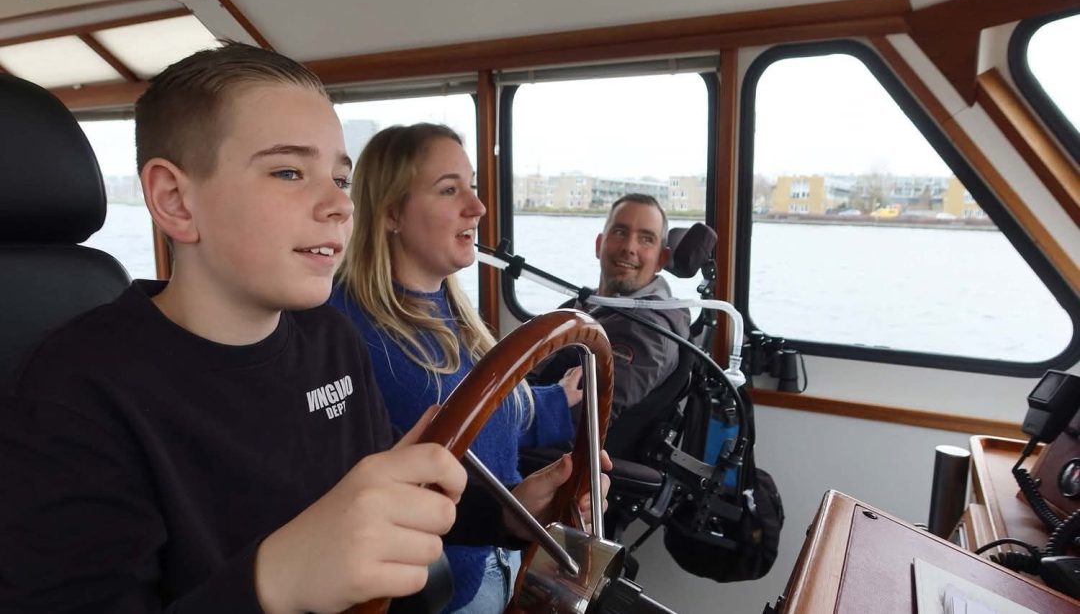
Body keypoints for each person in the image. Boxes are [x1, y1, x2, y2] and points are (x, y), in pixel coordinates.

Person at [0, 43, 607, 613]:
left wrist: (505, 513)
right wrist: (276, 577)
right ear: (176, 200)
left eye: (340, 179)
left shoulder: (329, 340)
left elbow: (375, 498)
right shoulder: (79, 390)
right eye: (289, 172)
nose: (340, 205)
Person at [330, 123, 584, 613]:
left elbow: (486, 416)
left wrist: (559, 403)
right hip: (442, 589)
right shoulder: (346, 331)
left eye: (472, 186)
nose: (478, 207)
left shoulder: (456, 315)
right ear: (391, 213)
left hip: (507, 559)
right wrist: (512, 509)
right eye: (450, 190)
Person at [532, 193, 691, 421]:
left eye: (646, 239)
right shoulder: (586, 305)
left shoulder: (644, 331)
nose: (629, 247)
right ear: (599, 244)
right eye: (620, 232)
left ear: (661, 260)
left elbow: (575, 423)